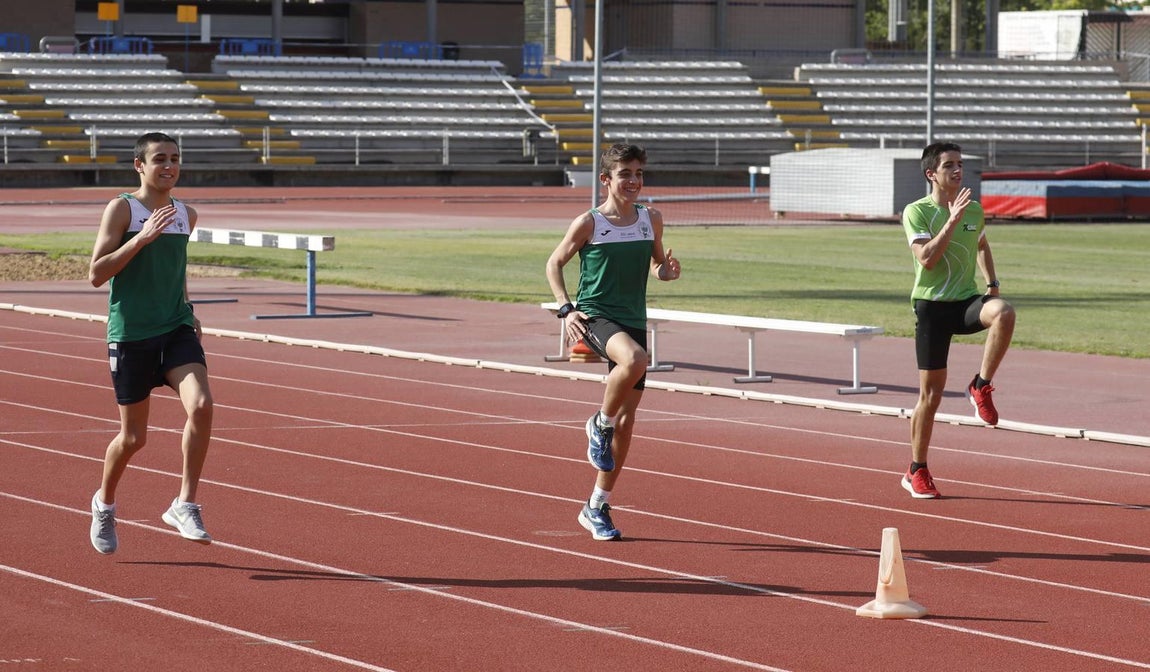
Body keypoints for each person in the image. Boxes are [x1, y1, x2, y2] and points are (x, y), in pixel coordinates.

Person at [545, 143, 681, 540]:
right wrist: (566, 308)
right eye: (625, 174)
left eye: (639, 173)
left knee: (628, 421)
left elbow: (657, 266)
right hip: (596, 316)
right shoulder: (589, 222)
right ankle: (597, 422)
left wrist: (667, 272)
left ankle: (596, 505)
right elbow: (554, 262)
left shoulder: (650, 219)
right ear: (606, 179)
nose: (634, 181)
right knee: (637, 359)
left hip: (633, 317)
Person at [87, 131, 215, 553]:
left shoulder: (186, 214)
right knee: (133, 438)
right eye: (160, 159)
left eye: (175, 158)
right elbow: (97, 274)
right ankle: (104, 505)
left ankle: (185, 503)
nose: (170, 166)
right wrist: (141, 239)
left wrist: (187, 306)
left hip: (175, 327)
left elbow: (175, 269)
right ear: (139, 166)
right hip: (131, 333)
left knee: (201, 405)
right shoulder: (122, 208)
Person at [900, 141, 1016, 499]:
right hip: (932, 307)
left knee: (1004, 312)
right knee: (930, 396)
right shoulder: (915, 212)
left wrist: (992, 284)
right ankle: (916, 469)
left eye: (960, 164)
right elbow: (928, 259)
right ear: (931, 173)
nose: (958, 170)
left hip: (965, 301)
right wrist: (951, 219)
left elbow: (981, 244)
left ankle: (980, 385)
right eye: (949, 164)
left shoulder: (974, 211)